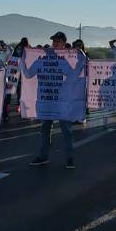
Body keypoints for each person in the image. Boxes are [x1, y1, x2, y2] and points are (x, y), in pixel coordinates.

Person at [30, 32, 80, 169]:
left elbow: (73, 76)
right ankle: (42, 156)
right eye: (54, 42)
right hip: (47, 100)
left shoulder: (65, 61)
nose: (55, 44)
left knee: (66, 130)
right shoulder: (43, 59)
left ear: (64, 44)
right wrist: (25, 58)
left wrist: (81, 60)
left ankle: (69, 158)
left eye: (58, 42)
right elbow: (29, 74)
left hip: (61, 101)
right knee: (45, 129)